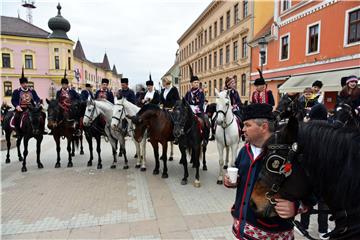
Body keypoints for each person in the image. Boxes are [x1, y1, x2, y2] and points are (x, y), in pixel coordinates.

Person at [224, 103, 306, 240]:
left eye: (247, 125)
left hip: (272, 234)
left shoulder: (286, 154)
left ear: (264, 127)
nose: (242, 129)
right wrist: (232, 181)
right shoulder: (245, 150)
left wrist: (296, 207)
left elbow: (312, 193)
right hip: (241, 230)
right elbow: (240, 177)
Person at [11, 68, 43, 137]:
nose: (25, 84)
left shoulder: (32, 91)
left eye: (26, 83)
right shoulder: (16, 91)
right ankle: (17, 131)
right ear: (21, 84)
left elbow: (37, 98)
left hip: (32, 108)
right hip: (21, 108)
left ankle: (42, 129)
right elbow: (13, 100)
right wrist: (17, 106)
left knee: (42, 114)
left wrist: (39, 103)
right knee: (16, 117)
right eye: (23, 83)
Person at [184, 64, 210, 140]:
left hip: (198, 110)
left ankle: (205, 137)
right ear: (191, 84)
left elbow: (202, 102)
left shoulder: (201, 92)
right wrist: (188, 107)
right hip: (189, 110)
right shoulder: (188, 92)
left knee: (205, 119)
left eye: (198, 83)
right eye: (195, 82)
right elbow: (185, 101)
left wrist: (197, 108)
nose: (197, 84)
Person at [56, 70, 81, 135]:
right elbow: (57, 100)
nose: (64, 85)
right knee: (54, 113)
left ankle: (76, 127)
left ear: (67, 85)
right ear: (61, 84)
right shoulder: (58, 92)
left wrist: (74, 103)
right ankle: (54, 127)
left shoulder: (72, 91)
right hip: (61, 107)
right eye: (63, 84)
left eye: (65, 84)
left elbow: (78, 98)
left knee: (76, 111)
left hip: (70, 107)